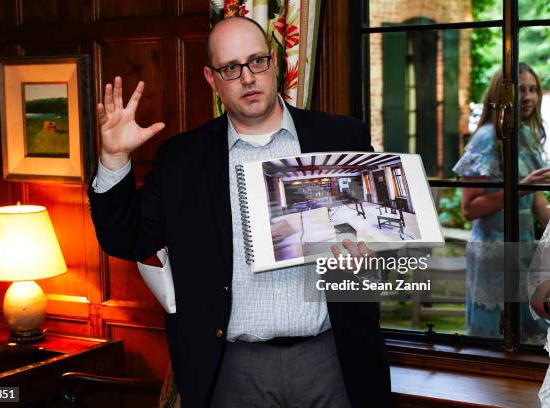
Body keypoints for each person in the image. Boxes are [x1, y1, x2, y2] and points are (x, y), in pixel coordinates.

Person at [88, 16, 390, 408]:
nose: (248, 77)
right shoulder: (182, 159)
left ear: (275, 63)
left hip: (333, 359)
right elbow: (125, 239)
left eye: (257, 61)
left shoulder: (340, 137)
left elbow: (384, 252)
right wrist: (114, 158)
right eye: (231, 68)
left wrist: (369, 263)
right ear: (211, 79)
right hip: (231, 369)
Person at [453, 63, 550, 341]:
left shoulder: (526, 137)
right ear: (502, 95)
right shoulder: (486, 138)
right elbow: (469, 208)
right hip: (491, 258)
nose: (528, 97)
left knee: (527, 341)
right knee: (493, 345)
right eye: (521, 90)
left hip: (523, 253)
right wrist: (521, 189)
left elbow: (539, 204)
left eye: (533, 90)